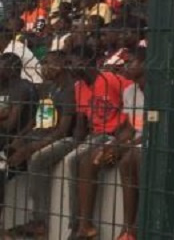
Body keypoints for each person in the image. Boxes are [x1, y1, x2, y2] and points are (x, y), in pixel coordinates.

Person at [2, 51, 75, 238]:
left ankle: (40, 221)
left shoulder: (69, 90)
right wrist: (20, 139)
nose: (42, 67)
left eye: (47, 63)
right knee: (6, 156)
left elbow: (62, 131)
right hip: (38, 135)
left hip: (63, 139)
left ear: (60, 65)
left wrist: (30, 148)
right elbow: (37, 121)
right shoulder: (49, 88)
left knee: (36, 159)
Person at [66, 45, 132, 238]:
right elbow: (81, 121)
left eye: (73, 63)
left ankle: (83, 225)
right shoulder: (79, 87)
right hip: (95, 134)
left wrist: (126, 127)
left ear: (87, 62)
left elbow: (134, 95)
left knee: (83, 161)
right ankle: (79, 223)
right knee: (73, 159)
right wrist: (76, 142)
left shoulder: (110, 79)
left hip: (114, 133)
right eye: (68, 63)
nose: (70, 68)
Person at [114, 48, 148, 240]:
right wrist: (116, 144)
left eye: (132, 62)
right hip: (138, 141)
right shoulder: (129, 91)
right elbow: (130, 127)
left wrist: (131, 144)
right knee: (125, 160)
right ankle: (127, 227)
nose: (127, 66)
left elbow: (156, 129)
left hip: (156, 141)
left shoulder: (159, 90)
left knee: (134, 157)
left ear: (145, 64)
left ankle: (139, 224)